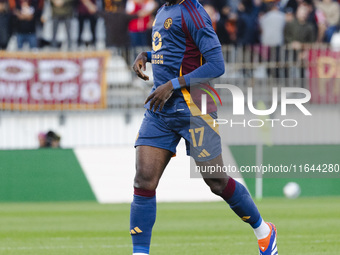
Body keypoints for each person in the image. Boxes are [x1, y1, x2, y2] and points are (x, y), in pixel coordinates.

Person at [130, 0, 278, 255]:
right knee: (144, 179)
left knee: (216, 181)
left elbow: (216, 64)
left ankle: (264, 232)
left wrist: (173, 85)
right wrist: (147, 56)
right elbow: (177, 53)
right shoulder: (163, 11)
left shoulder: (194, 13)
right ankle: (140, 252)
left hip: (195, 108)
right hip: (160, 110)